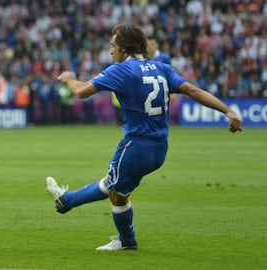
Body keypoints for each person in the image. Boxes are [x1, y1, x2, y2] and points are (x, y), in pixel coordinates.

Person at [45, 24, 242, 251]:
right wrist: (228, 111)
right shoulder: (162, 68)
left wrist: (69, 78)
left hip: (135, 146)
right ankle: (68, 202)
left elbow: (81, 91)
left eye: (113, 45)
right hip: (160, 148)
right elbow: (193, 91)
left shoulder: (120, 70)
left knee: (114, 190)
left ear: (124, 49)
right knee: (117, 189)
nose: (110, 51)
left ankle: (77, 209)